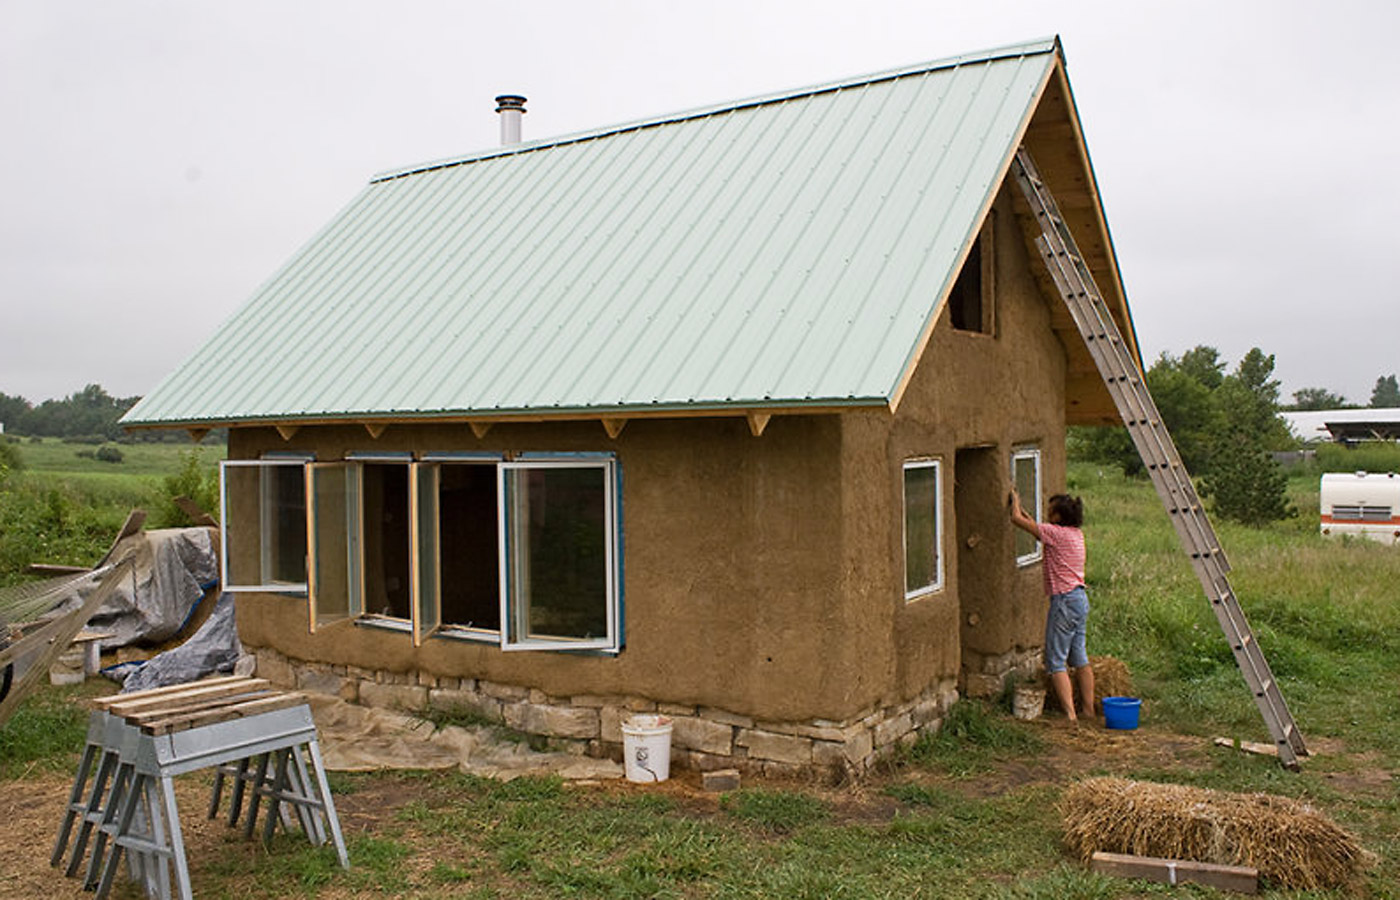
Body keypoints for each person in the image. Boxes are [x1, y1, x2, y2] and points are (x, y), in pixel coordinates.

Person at [1010, 488, 1095, 725]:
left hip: (1064, 602)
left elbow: (1016, 520)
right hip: (1079, 600)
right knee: (1079, 658)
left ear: (1058, 516)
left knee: (1055, 661)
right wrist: (1029, 518)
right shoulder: (1075, 534)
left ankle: (1070, 716)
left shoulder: (1055, 533)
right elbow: (1037, 530)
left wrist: (1014, 500)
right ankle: (1088, 711)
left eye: (1050, 510)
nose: (1047, 513)